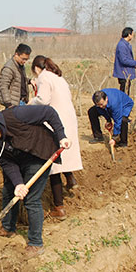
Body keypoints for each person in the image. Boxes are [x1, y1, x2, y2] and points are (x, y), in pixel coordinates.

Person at [0, 106, 71, 258]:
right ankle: (8, 228)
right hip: (17, 158)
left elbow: (49, 112)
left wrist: (61, 136)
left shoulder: (16, 115)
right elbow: (7, 163)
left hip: (38, 153)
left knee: (31, 199)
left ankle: (36, 243)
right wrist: (18, 183)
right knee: (9, 191)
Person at [29, 55, 82, 220]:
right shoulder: (59, 78)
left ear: (36, 68)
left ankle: (59, 208)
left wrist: (30, 104)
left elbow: (43, 100)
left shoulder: (43, 77)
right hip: (69, 117)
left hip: (56, 121)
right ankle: (71, 179)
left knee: (54, 164)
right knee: (65, 152)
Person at [0, 43, 31, 108]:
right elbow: (3, 86)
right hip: (14, 103)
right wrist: (9, 104)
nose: (24, 61)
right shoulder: (9, 68)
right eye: (23, 59)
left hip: (22, 102)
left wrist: (30, 81)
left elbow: (18, 79)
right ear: (16, 54)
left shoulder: (20, 65)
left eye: (26, 59)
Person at [112, 27, 136, 95]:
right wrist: (135, 62)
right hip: (123, 73)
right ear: (129, 34)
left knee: (126, 92)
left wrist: (133, 65)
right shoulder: (122, 45)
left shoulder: (125, 44)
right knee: (124, 93)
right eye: (132, 34)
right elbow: (123, 60)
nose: (132, 36)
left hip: (126, 73)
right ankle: (123, 105)